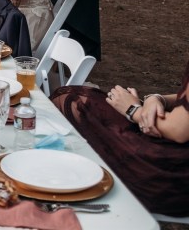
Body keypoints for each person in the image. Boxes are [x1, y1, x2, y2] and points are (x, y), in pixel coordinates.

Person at [51, 59, 189, 217]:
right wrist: (156, 99)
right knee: (73, 97)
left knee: (74, 102)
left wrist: (133, 110)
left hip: (174, 173)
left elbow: (179, 130)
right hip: (172, 147)